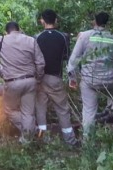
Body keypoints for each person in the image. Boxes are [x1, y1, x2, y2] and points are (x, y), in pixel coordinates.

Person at [67, 12, 113, 137]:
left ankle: (88, 139)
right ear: (107, 23)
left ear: (94, 21)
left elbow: (74, 58)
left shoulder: (85, 36)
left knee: (89, 110)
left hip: (90, 80)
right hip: (110, 79)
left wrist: (72, 78)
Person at [33, 9, 79, 146]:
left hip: (41, 78)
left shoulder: (37, 37)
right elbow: (67, 58)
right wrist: (73, 78)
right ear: (56, 20)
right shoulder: (63, 37)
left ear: (42, 20)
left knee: (40, 109)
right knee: (62, 109)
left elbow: (34, 58)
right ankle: (70, 141)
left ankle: (42, 139)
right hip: (56, 78)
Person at [0, 21, 45, 141]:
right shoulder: (31, 40)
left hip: (13, 82)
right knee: (28, 113)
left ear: (6, 31)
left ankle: (33, 130)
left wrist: (1, 70)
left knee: (9, 110)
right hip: (30, 81)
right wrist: (38, 78)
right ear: (20, 29)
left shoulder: (1, 40)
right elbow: (41, 63)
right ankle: (27, 140)